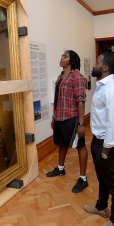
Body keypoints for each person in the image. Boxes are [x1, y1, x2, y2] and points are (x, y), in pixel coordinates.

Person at [84, 52, 114, 226]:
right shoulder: (102, 86)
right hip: (99, 139)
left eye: (97, 62)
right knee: (102, 176)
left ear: (105, 67)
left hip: (107, 142)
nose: (94, 64)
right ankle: (101, 207)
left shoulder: (112, 89)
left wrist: (106, 149)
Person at [46, 50, 88, 193]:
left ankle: (83, 179)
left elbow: (81, 101)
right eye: (62, 56)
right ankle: (60, 168)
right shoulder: (60, 76)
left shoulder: (77, 77)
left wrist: (81, 124)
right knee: (61, 144)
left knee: (80, 146)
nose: (62, 58)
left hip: (72, 118)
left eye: (65, 56)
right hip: (59, 117)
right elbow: (57, 99)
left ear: (72, 61)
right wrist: (54, 117)